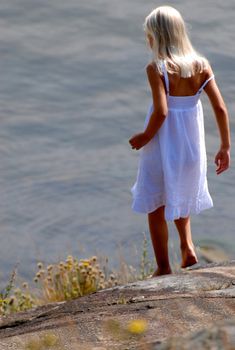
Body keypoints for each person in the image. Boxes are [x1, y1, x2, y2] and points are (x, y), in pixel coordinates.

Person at [129, 6, 230, 277]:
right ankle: (187, 247)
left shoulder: (157, 68)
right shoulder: (201, 65)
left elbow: (162, 112)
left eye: (149, 35)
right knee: (181, 193)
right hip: (190, 146)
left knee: (155, 204)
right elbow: (220, 108)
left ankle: (163, 267)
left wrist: (144, 136)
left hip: (162, 146)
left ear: (157, 37)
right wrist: (225, 146)